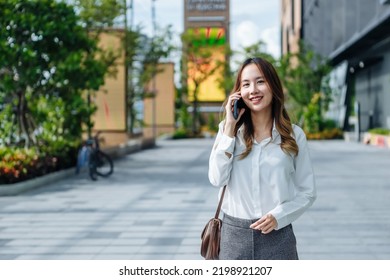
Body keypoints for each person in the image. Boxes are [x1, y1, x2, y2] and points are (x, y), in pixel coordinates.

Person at [208, 57, 316, 260]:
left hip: (278, 237)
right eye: (246, 84)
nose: (253, 90)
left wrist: (279, 216)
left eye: (260, 81)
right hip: (233, 238)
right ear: (239, 93)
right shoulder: (227, 131)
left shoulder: (294, 135)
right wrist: (230, 128)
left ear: (273, 86)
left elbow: (308, 192)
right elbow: (216, 179)